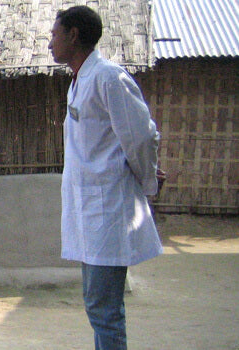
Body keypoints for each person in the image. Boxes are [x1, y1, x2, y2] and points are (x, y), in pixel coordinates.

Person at [49, 6, 162, 350]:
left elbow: (141, 136)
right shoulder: (80, 80)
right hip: (91, 210)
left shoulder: (109, 78)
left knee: (104, 308)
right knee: (97, 304)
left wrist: (146, 180)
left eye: (54, 34)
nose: (50, 42)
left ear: (73, 35)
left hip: (108, 209)